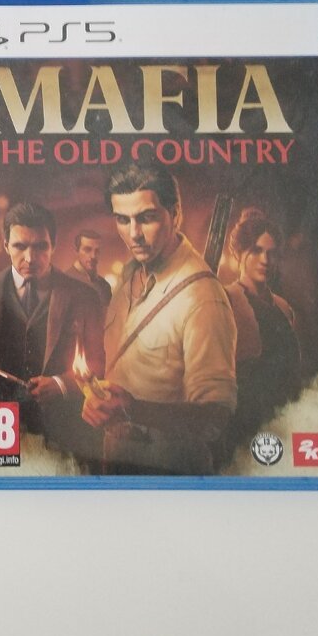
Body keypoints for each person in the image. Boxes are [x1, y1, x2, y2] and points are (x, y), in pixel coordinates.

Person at [81, 162, 237, 475]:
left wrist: (134, 411)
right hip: (117, 467)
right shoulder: (128, 279)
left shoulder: (202, 297)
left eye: (146, 218)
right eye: (123, 220)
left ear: (175, 215)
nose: (134, 234)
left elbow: (215, 418)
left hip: (172, 477)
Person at [0, 201, 104, 451]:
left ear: (53, 246)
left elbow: (99, 365)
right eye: (20, 246)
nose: (30, 258)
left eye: (40, 247)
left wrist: (61, 385)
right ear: (6, 245)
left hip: (64, 434)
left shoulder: (85, 297)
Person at [225, 207, 301, 444]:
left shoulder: (283, 307)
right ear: (240, 252)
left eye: (271, 253)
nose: (265, 260)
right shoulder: (223, 300)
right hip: (240, 424)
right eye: (256, 250)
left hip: (282, 419)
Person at [66, 229, 112, 309]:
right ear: (76, 251)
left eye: (97, 251)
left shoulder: (104, 286)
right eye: (87, 250)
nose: (93, 256)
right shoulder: (65, 283)